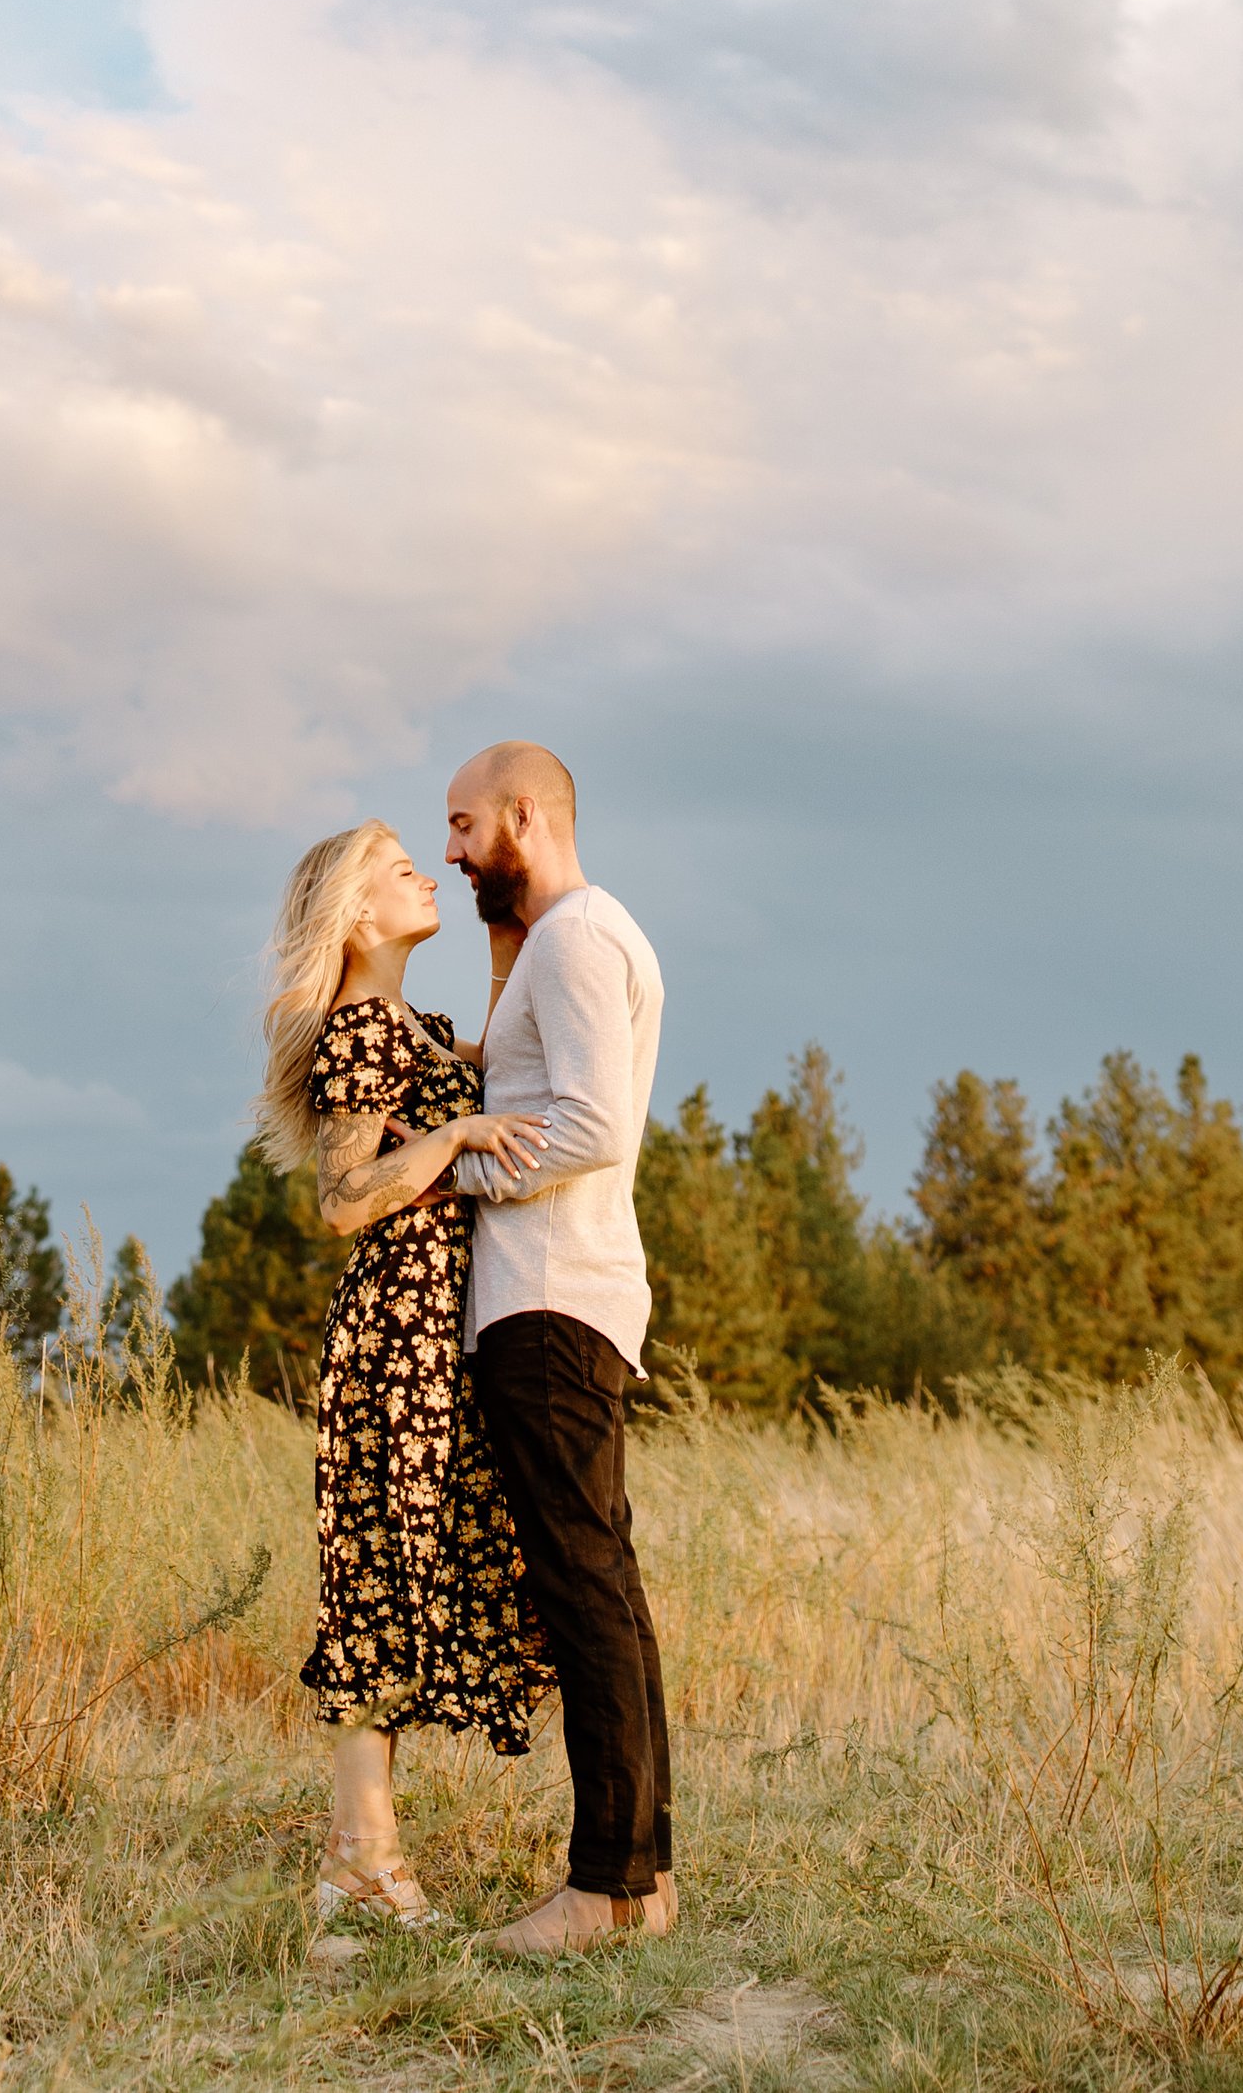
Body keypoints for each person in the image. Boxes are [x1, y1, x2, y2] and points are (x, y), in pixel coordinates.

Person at [259, 816, 556, 1936]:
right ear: (355, 915)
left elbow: (504, 1051)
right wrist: (458, 1136)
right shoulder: (357, 1031)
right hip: (397, 1328)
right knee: (380, 1571)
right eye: (399, 869)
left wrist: (501, 928)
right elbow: (343, 1201)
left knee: (424, 1563)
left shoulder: (411, 1029)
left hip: (442, 1323)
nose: (422, 873)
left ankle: (364, 1864)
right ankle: (357, 1865)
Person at [445, 742, 675, 1956]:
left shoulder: (578, 938)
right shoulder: (559, 941)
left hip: (547, 1302)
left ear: (523, 815)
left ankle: (605, 1886)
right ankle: (643, 1876)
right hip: (564, 1295)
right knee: (602, 1584)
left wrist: (447, 1159)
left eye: (464, 823)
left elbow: (587, 1122)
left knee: (582, 1586)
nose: (449, 848)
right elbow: (534, 1077)